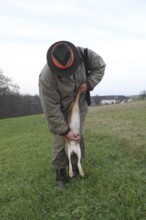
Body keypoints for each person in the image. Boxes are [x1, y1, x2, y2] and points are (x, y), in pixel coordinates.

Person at [39, 40, 106, 188]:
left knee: (77, 135)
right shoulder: (46, 78)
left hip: (79, 105)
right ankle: (61, 173)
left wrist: (88, 84)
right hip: (60, 110)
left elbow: (100, 66)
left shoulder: (85, 54)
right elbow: (51, 109)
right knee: (60, 139)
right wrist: (64, 130)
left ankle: (75, 168)